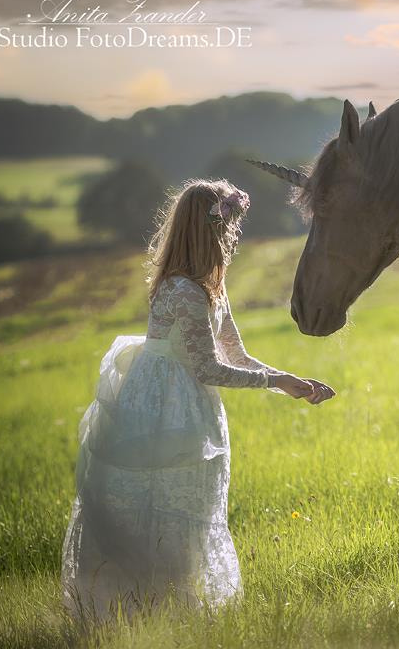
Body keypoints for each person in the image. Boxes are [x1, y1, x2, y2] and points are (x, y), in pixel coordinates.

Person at [60, 179, 333, 620]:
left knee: (189, 501)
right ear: (208, 230)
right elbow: (207, 368)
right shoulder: (182, 291)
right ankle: (135, 607)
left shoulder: (211, 287)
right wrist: (276, 381)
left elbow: (235, 355)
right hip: (162, 404)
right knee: (154, 499)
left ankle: (174, 603)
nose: (232, 237)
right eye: (228, 228)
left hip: (191, 402)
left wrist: (290, 380)